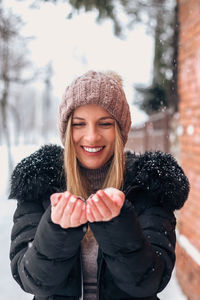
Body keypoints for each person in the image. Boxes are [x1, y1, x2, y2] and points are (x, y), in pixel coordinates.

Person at [9, 70, 189, 300]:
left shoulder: (148, 187)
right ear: (66, 130)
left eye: (104, 124)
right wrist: (57, 230)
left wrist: (118, 223)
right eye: (79, 124)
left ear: (120, 130)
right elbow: (30, 279)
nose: (92, 137)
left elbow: (151, 279)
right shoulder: (40, 184)